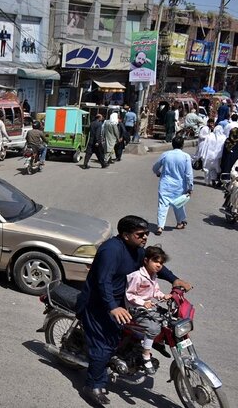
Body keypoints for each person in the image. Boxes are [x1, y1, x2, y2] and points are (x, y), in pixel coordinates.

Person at [76, 215, 191, 405]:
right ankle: (92, 385)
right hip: (98, 304)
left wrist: (174, 279)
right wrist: (112, 307)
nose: (145, 237)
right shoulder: (111, 251)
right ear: (125, 235)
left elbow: (153, 265)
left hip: (123, 299)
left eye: (146, 234)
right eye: (140, 234)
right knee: (105, 345)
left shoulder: (135, 250)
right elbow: (103, 281)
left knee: (147, 325)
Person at [125, 245, 172, 375]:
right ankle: (146, 355)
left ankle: (156, 342)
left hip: (148, 307)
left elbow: (155, 291)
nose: (159, 265)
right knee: (153, 328)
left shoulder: (153, 276)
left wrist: (163, 296)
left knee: (167, 319)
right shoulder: (137, 276)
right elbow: (129, 295)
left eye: (161, 263)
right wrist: (143, 302)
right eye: (155, 261)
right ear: (146, 260)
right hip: (135, 309)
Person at [152, 136, 193, 235]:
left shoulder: (166, 155)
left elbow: (155, 167)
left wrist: (158, 172)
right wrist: (190, 187)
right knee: (178, 203)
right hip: (179, 185)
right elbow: (189, 174)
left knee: (163, 205)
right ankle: (179, 223)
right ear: (182, 145)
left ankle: (160, 227)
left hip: (165, 184)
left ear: (172, 144)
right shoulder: (186, 156)